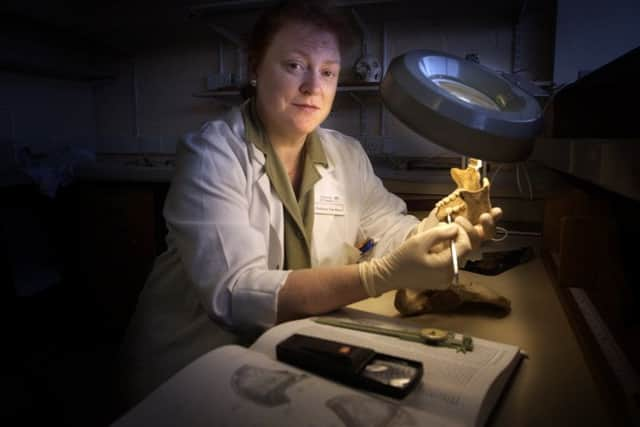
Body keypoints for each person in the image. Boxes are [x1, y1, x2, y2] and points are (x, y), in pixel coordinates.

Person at [119, 0, 501, 406]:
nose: (313, 87)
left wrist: (443, 228)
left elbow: (390, 229)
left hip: (288, 358)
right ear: (254, 69)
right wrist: (377, 277)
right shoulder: (213, 154)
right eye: (294, 65)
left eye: (328, 72)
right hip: (189, 372)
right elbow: (236, 294)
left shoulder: (346, 155)